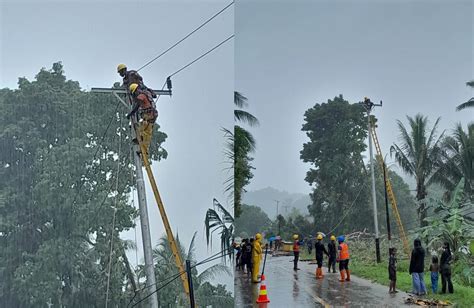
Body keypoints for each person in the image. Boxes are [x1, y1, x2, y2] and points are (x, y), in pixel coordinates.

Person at [127, 83, 158, 155]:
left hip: (148, 115)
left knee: (142, 127)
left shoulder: (141, 96)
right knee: (147, 133)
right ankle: (144, 150)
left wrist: (130, 114)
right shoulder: (147, 93)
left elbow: (137, 106)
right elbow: (154, 96)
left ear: (136, 90)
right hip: (153, 115)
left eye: (134, 93)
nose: (135, 94)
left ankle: (139, 138)